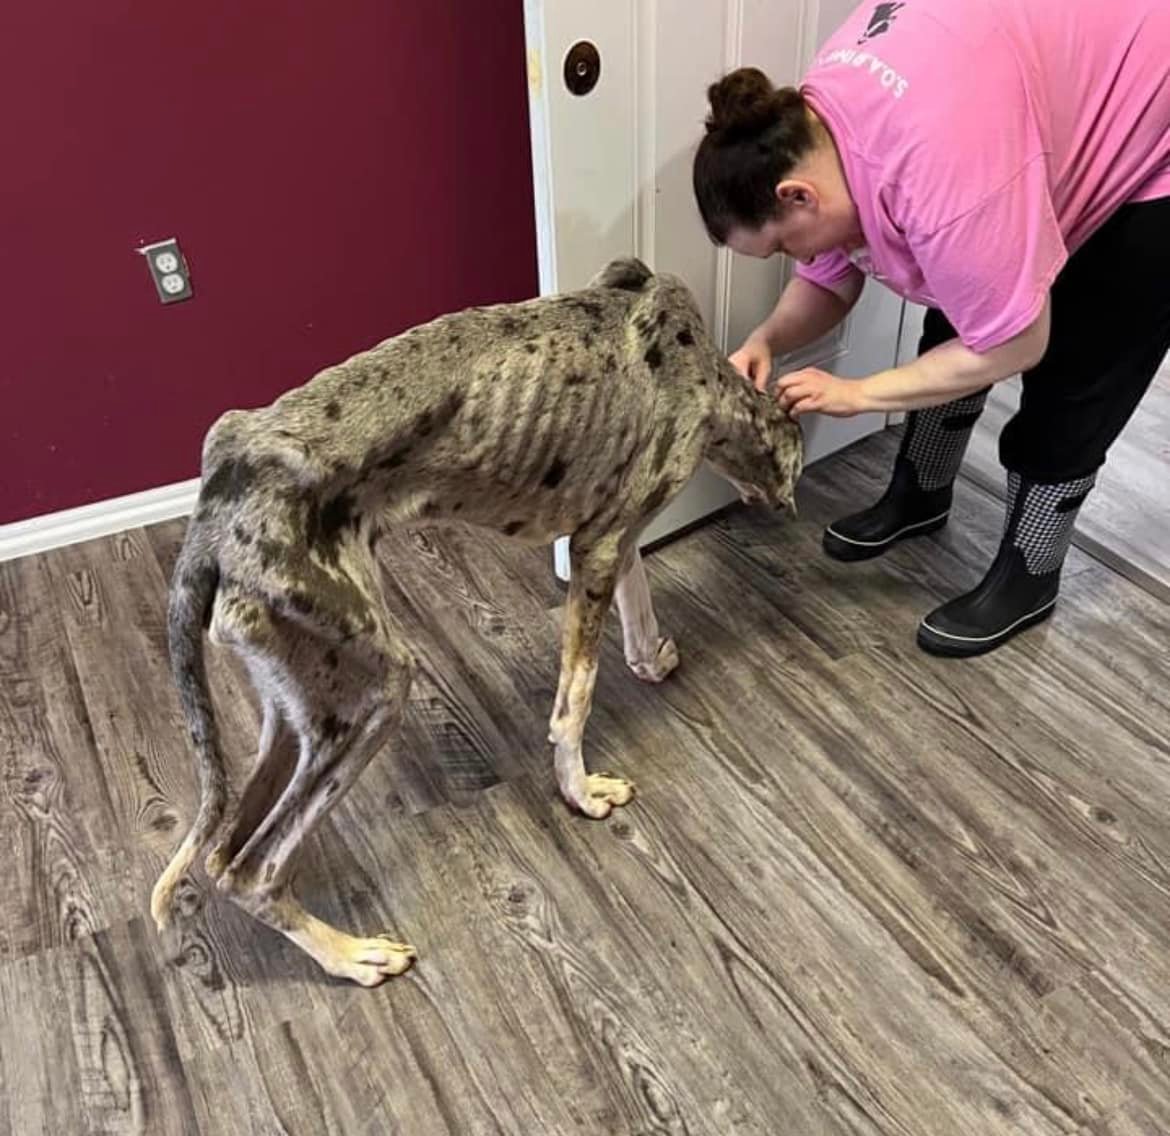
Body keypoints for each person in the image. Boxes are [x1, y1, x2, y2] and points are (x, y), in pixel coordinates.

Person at [691, 0, 1170, 657]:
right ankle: (921, 493)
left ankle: (1030, 571)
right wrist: (766, 341)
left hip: (1152, 115)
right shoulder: (812, 130)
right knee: (960, 306)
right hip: (1015, 95)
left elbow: (1015, 342)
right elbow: (831, 272)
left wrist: (861, 393)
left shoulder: (946, 174)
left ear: (796, 195)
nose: (795, 260)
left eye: (780, 248)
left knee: (1079, 371)